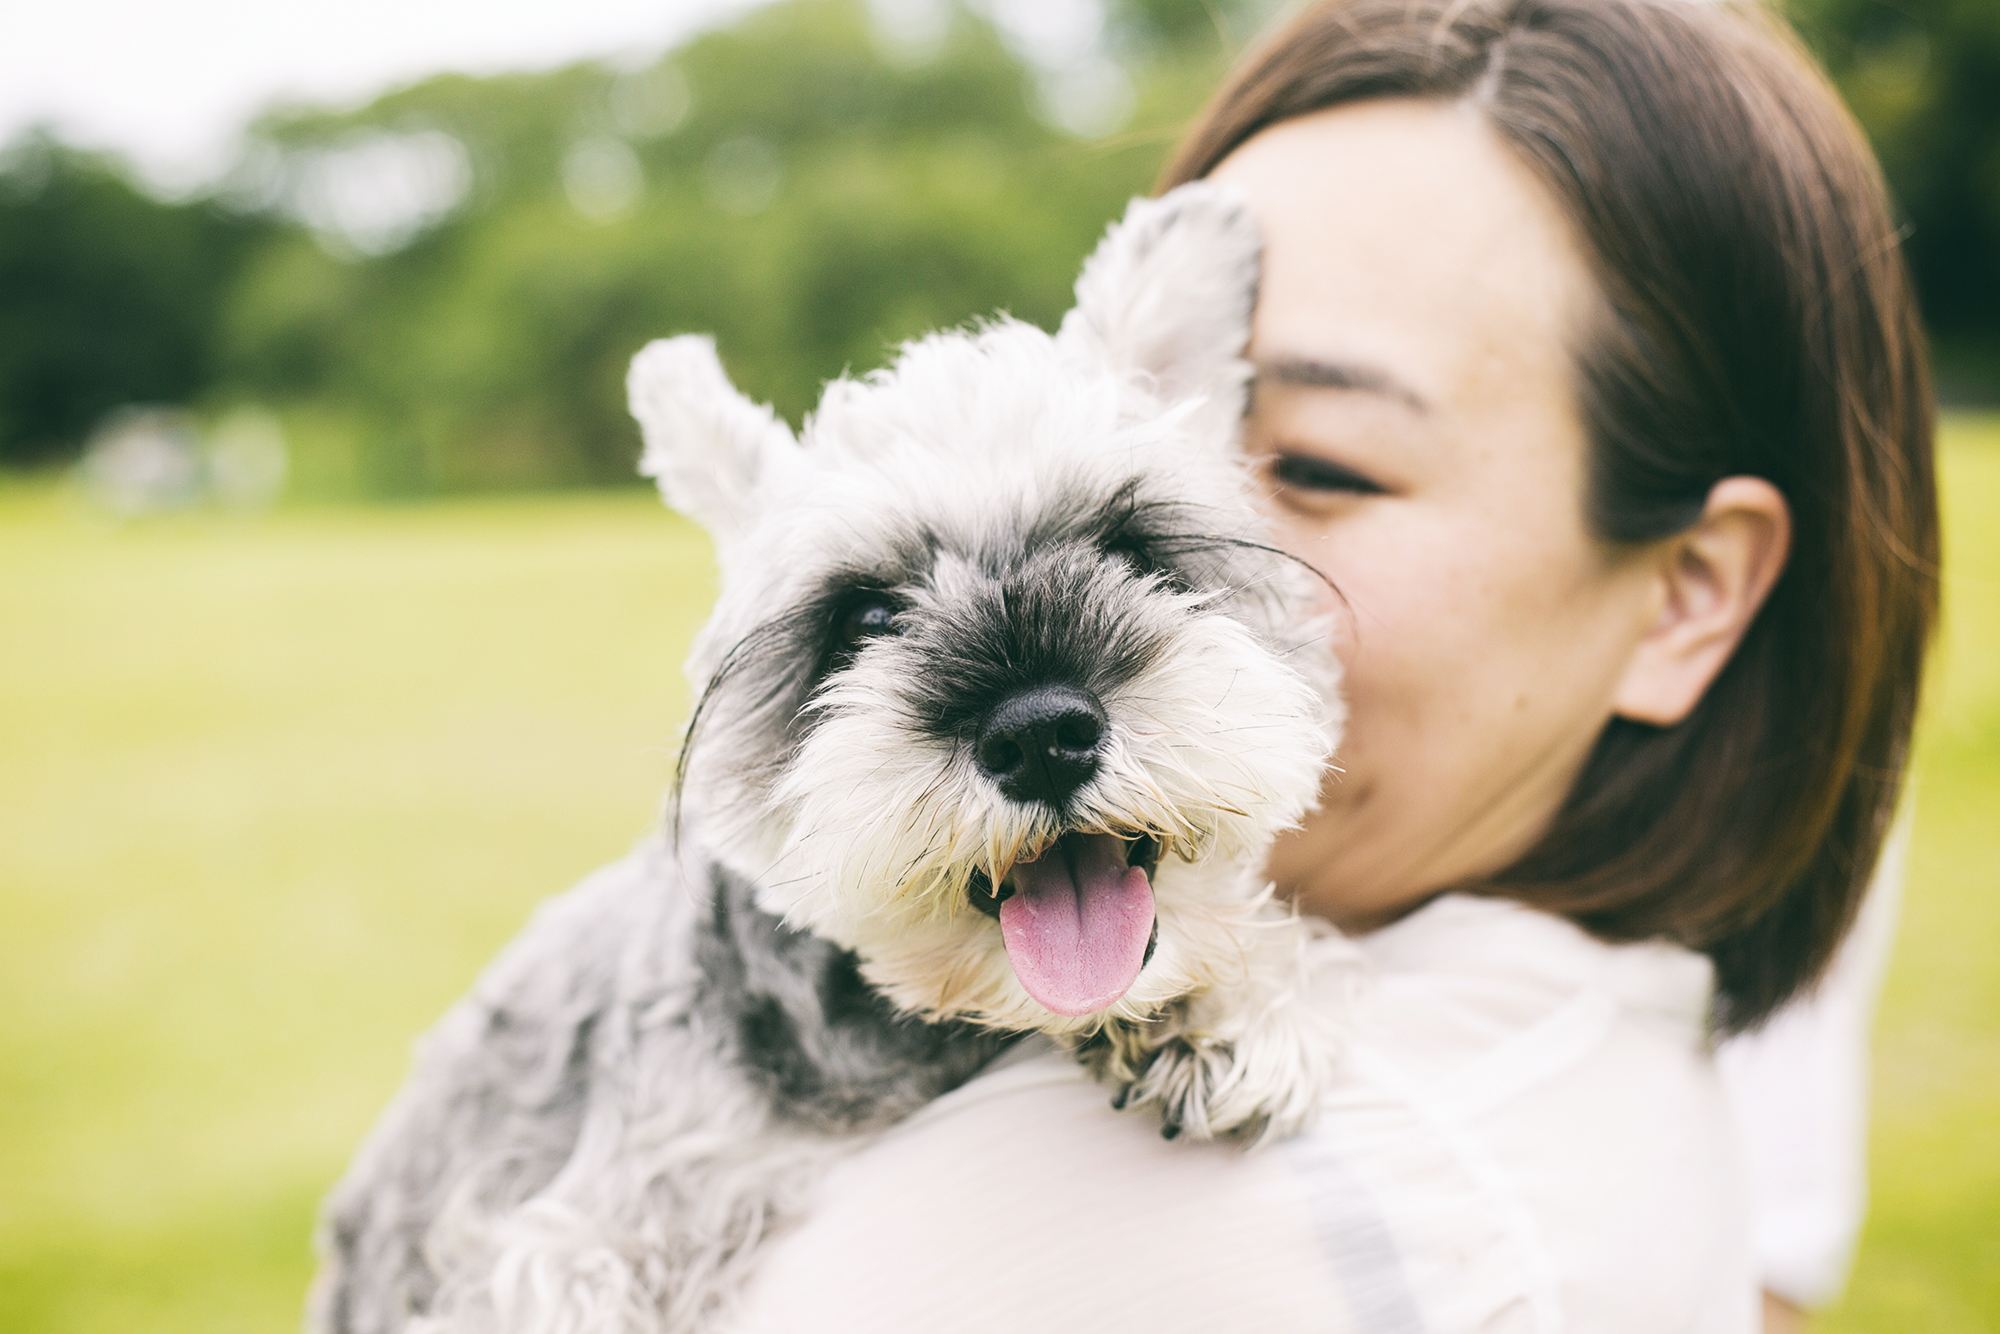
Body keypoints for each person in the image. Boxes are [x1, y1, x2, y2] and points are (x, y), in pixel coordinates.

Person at [725, 0, 1938, 1329]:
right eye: (1147, 421)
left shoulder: (1160, 1224)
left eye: (1311, 465)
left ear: (1682, 598)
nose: (1177, 552)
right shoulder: (1621, 1068)